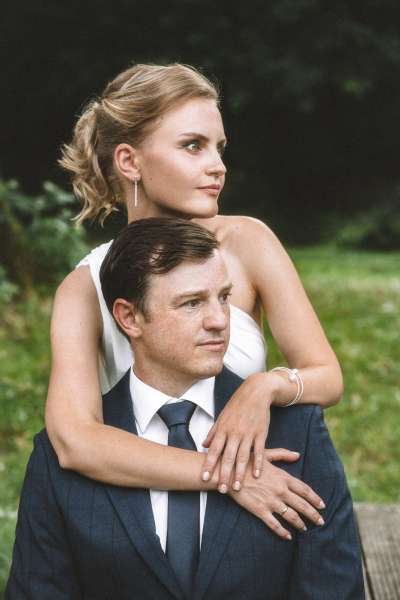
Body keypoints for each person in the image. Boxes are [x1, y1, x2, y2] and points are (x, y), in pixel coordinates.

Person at [45, 63, 344, 538]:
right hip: (142, 514)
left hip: (253, 522)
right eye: (192, 146)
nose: (217, 165)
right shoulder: (84, 288)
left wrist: (263, 387)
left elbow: (326, 376)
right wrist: (225, 475)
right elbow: (74, 440)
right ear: (130, 162)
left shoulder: (246, 243)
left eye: (219, 147)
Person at [6, 219, 364, 599]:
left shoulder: (297, 434)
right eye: (192, 303)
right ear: (129, 318)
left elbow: (333, 588)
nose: (219, 321)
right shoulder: (58, 459)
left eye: (223, 298)